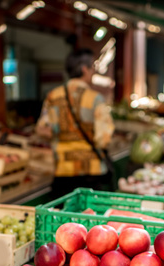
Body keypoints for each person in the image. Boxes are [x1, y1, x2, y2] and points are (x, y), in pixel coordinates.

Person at [35, 48, 115, 194]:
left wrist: (60, 137)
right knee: (91, 216)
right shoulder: (95, 99)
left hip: (63, 172)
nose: (93, 72)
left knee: (63, 216)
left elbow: (42, 130)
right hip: (91, 172)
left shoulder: (52, 96)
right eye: (92, 67)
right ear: (84, 69)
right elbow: (104, 139)